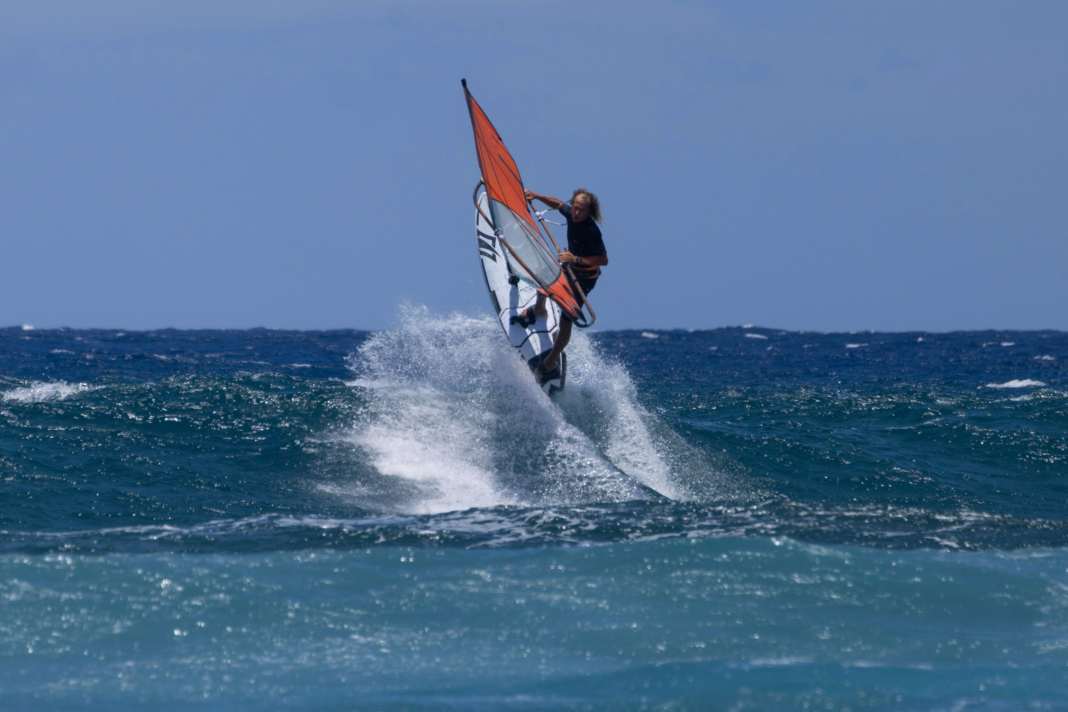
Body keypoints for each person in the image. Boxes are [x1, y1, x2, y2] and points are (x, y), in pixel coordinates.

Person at [516, 187, 608, 377]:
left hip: (584, 279)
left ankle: (550, 361)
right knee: (546, 276)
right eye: (575, 207)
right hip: (569, 268)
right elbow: (558, 204)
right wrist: (538, 195)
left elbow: (603, 260)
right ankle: (539, 308)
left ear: (589, 212)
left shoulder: (592, 231)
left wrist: (575, 259)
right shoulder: (570, 213)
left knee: (566, 318)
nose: (576, 212)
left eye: (581, 210)